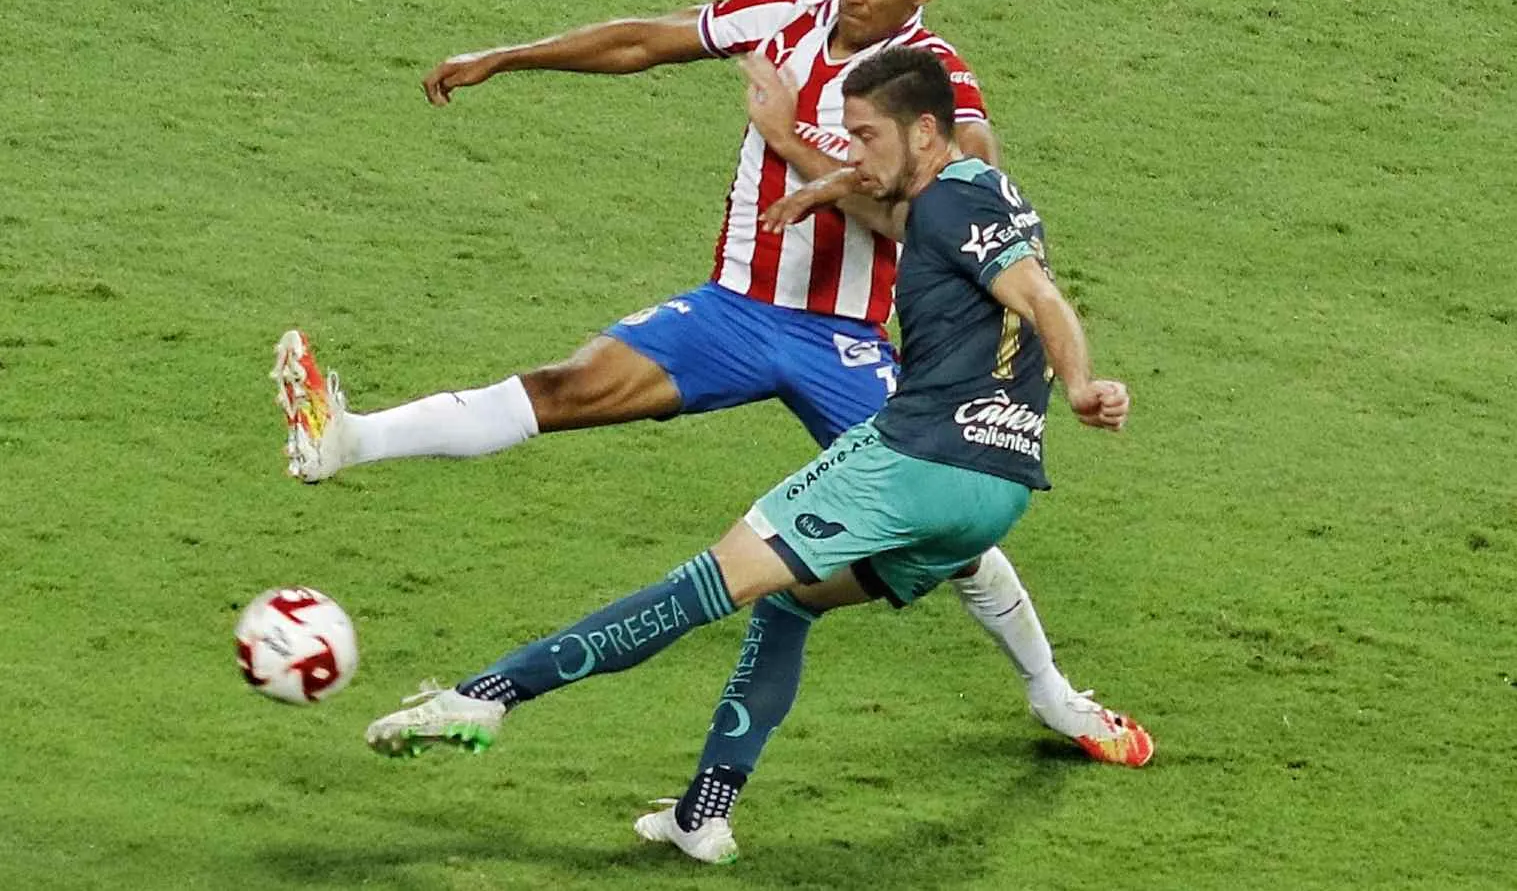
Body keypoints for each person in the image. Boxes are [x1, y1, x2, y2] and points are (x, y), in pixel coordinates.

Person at [272, 0, 1127, 759]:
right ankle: (349, 439)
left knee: (948, 528)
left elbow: (957, 192)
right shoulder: (788, 14)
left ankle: (1053, 692)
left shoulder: (934, 80)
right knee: (568, 385)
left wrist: (789, 138)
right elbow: (647, 39)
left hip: (845, 339)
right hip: (733, 309)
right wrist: (507, 57)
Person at [362, 48, 1151, 865]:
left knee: (704, 584)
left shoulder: (946, 208)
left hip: (911, 460)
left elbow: (1040, 298)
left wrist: (1084, 383)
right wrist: (828, 182)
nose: (855, 151)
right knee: (791, 602)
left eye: (866, 135)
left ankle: (485, 696)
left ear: (924, 131)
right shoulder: (986, 194)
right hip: (994, 492)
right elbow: (931, 231)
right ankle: (702, 815)